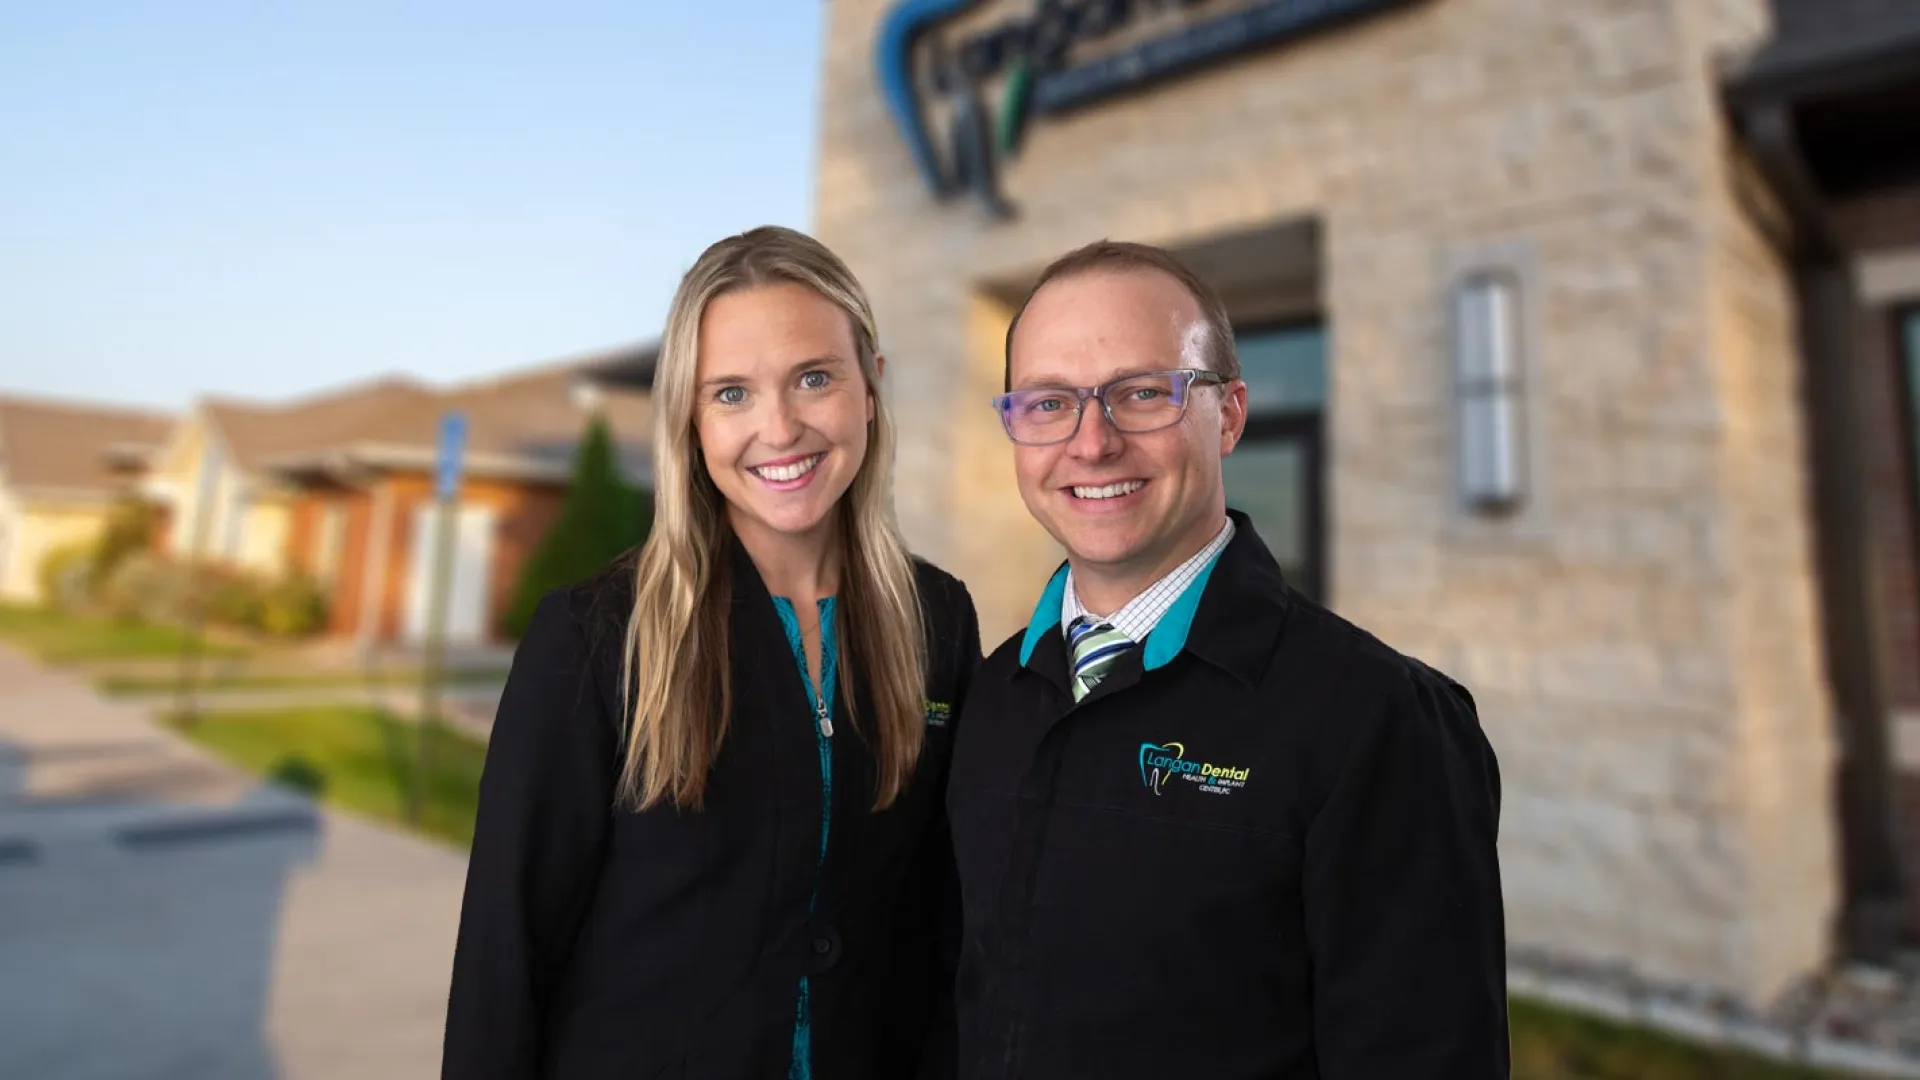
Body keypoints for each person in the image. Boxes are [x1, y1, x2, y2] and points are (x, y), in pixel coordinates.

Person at [947, 240, 1508, 1078]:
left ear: (1231, 414)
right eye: (1048, 403)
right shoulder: (990, 695)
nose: (1091, 443)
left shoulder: (1376, 722)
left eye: (1143, 394)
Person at [442, 225, 980, 1080]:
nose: (780, 427)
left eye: (814, 378)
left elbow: (938, 916)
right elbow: (504, 958)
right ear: (688, 421)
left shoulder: (939, 619)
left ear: (870, 388)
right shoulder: (593, 637)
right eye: (730, 393)